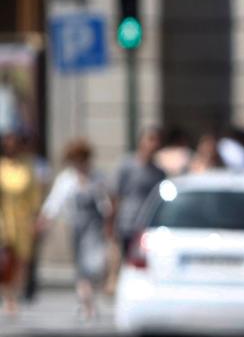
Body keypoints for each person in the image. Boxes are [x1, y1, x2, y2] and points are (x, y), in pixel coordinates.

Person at [38, 139, 112, 319]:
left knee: (96, 265)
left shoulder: (98, 177)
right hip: (77, 228)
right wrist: (45, 220)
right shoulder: (66, 179)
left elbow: (107, 204)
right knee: (82, 267)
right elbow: (55, 201)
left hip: (95, 228)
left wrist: (109, 222)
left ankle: (88, 298)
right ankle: (87, 304)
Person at [0, 132, 41, 315]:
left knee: (22, 261)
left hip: (23, 220)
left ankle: (15, 293)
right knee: (7, 260)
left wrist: (35, 218)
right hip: (4, 218)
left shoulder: (27, 167)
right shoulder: (2, 167)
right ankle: (8, 297)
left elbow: (34, 196)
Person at [111, 126, 165, 262]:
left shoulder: (159, 173)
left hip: (148, 227)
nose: (154, 144)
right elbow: (115, 194)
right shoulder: (127, 165)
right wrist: (111, 224)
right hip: (127, 224)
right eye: (151, 139)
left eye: (157, 140)